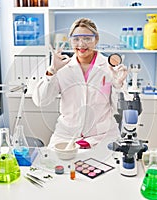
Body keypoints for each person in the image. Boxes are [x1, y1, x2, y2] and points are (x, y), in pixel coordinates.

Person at [33, 18, 128, 148]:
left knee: (109, 167)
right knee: (54, 165)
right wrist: (51, 71)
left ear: (96, 39)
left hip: (103, 136)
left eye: (87, 38)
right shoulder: (62, 67)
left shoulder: (110, 67)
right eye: (76, 39)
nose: (81, 44)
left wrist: (118, 86)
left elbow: (120, 109)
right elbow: (41, 100)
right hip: (67, 134)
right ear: (70, 40)